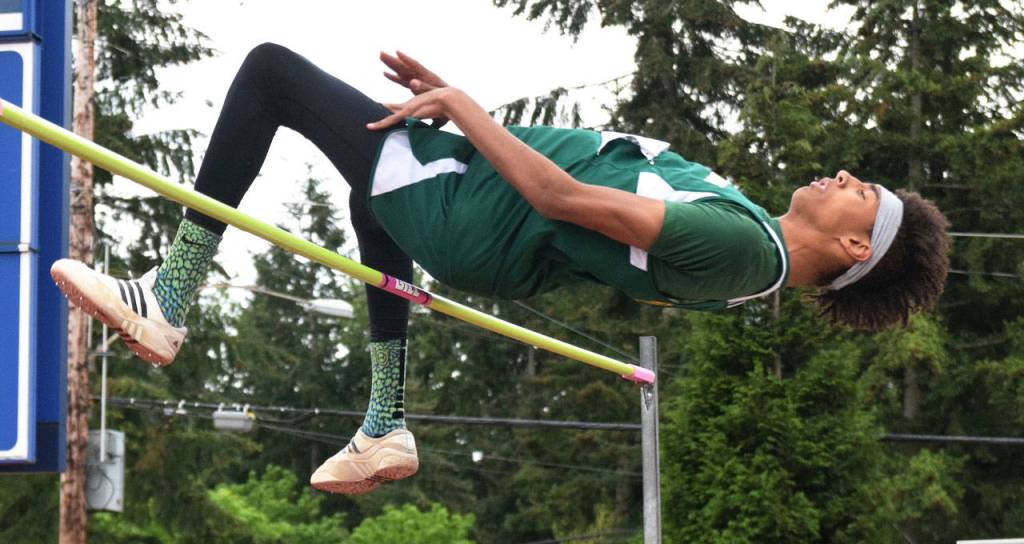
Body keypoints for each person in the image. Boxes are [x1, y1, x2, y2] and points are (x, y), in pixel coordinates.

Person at [50, 43, 951, 495]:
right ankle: (385, 424)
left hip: (471, 212)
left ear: (852, 251)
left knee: (271, 75)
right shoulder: (748, 231)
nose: (844, 176)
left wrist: (468, 109)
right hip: (473, 203)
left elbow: (563, 198)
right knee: (373, 196)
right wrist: (461, 118)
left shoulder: (743, 250)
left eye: (862, 193)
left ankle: (169, 298)